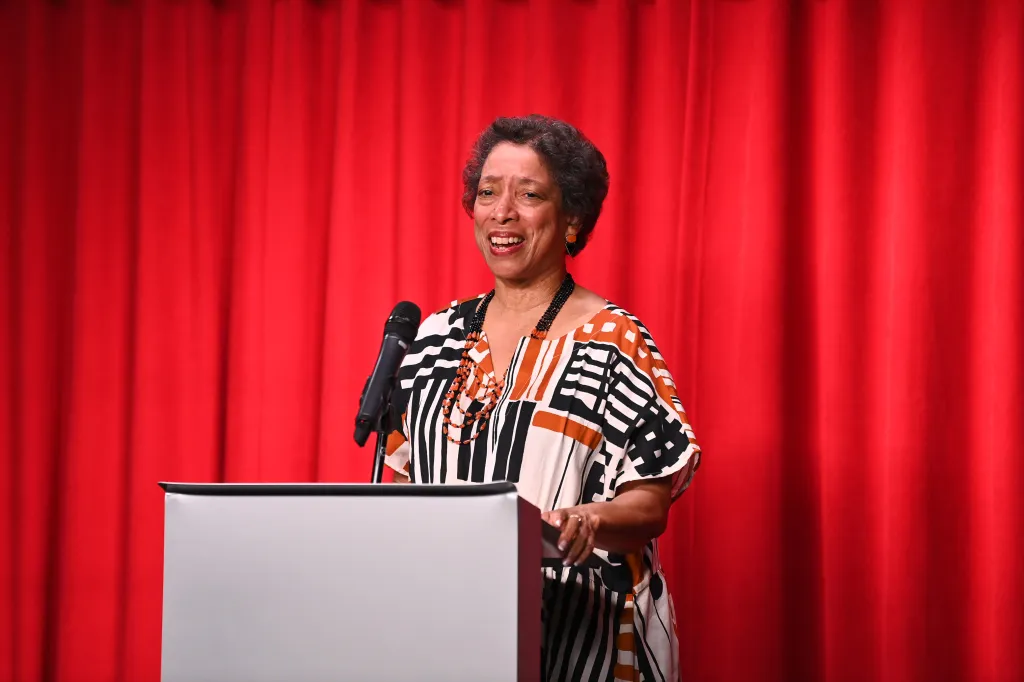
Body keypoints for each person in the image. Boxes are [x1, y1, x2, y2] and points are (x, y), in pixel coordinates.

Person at [384, 114, 702, 682]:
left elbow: (650, 504)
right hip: (449, 627)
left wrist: (588, 518)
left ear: (572, 218)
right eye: (487, 193)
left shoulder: (613, 342)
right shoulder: (436, 336)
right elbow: (407, 480)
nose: (501, 212)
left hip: (581, 640)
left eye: (528, 195)